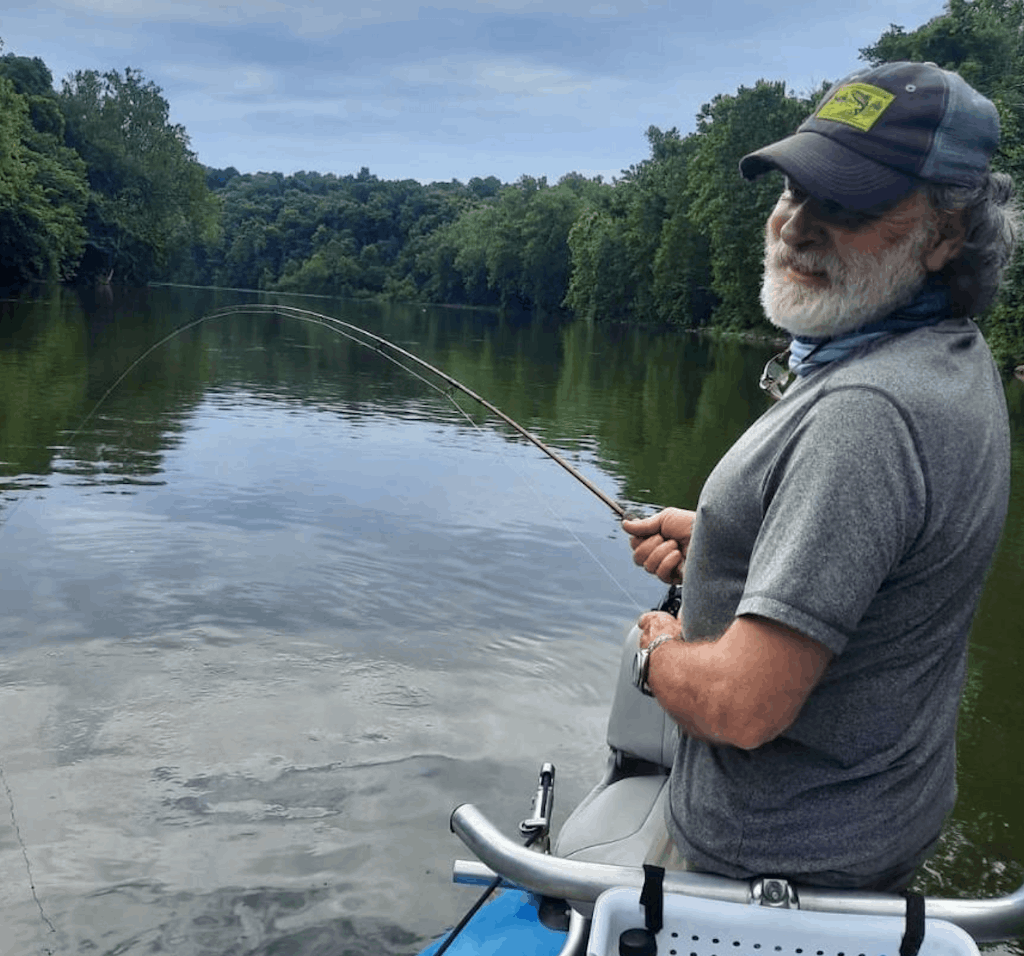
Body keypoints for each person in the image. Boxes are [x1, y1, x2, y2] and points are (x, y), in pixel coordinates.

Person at [622, 61, 1018, 892]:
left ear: (946, 235)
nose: (796, 226)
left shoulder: (867, 412)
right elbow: (882, 568)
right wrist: (728, 539)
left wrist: (656, 654)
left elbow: (741, 705)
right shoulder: (945, 355)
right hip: (868, 833)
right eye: (795, 191)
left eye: (847, 204)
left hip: (768, 872)